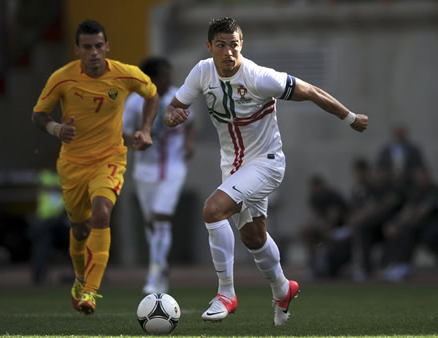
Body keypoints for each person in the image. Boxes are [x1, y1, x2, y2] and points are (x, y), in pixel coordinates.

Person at [163, 17, 368, 325]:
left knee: (212, 210)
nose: (228, 52)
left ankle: (225, 294)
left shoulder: (260, 77)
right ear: (210, 47)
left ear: (241, 45)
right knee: (253, 238)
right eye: (221, 45)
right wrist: (171, 115)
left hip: (267, 163)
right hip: (232, 167)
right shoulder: (202, 72)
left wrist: (350, 117)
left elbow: (311, 90)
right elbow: (172, 108)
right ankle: (283, 288)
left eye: (233, 45)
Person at [31, 19, 159, 314]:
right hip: (73, 164)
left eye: (99, 46)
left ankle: (90, 291)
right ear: (77, 50)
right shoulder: (62, 78)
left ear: (107, 47)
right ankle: (79, 278)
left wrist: (146, 129)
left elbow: (152, 95)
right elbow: (38, 115)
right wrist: (55, 128)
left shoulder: (125, 74)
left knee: (102, 213)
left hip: (110, 159)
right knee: (78, 229)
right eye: (87, 47)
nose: (94, 52)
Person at [122, 57, 195, 294]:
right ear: (151, 79)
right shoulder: (134, 103)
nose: (168, 80)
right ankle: (161, 268)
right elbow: (122, 133)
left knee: (162, 217)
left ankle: (153, 275)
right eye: (163, 76)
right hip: (146, 169)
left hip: (174, 167)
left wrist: (189, 143)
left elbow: (191, 122)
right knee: (151, 223)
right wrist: (138, 138)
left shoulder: (179, 97)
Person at [300, 175, 350, 279]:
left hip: (341, 228)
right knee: (306, 232)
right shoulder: (314, 197)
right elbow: (312, 216)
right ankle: (313, 264)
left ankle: (326, 263)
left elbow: (334, 217)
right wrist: (309, 226)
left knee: (326, 234)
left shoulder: (333, 196)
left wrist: (324, 227)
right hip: (324, 227)